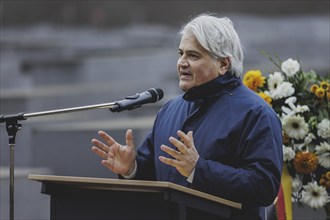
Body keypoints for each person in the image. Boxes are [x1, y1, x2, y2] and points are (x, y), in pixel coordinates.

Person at [91, 13, 283, 220]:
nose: (182, 63)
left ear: (223, 64)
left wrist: (198, 169)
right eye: (181, 53)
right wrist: (132, 169)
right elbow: (155, 173)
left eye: (193, 56)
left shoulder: (255, 113)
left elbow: (264, 186)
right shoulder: (170, 109)